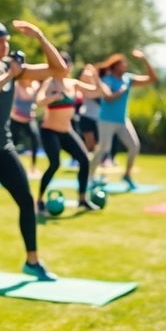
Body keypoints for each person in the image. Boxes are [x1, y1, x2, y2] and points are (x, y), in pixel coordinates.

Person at [0, 20, 66, 286]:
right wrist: (9, 75)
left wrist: (41, 36)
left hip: (2, 147)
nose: (5, 45)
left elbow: (59, 70)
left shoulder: (11, 68)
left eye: (7, 40)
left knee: (26, 202)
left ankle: (32, 262)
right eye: (0, 40)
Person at [35, 52, 102, 212]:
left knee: (85, 160)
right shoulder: (50, 83)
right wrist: (53, 97)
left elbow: (97, 92)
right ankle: (39, 200)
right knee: (54, 164)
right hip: (49, 131)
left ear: (70, 67)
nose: (64, 69)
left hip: (67, 131)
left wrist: (95, 75)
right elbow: (39, 101)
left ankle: (82, 199)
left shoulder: (73, 83)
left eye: (66, 66)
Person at [92, 50, 157, 189]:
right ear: (115, 67)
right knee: (103, 149)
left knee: (134, 146)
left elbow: (152, 78)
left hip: (122, 120)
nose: (125, 66)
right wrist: (122, 89)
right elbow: (108, 98)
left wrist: (144, 59)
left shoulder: (128, 78)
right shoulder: (107, 80)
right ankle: (90, 177)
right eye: (122, 64)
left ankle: (127, 174)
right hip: (106, 120)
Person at [9, 75, 42, 174]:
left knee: (35, 139)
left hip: (29, 119)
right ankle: (11, 167)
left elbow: (37, 101)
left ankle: (33, 167)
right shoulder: (16, 86)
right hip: (16, 119)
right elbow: (12, 104)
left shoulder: (34, 85)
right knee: (12, 143)